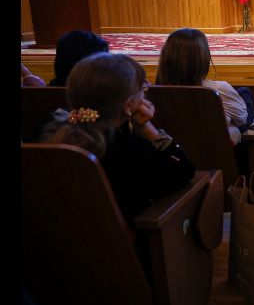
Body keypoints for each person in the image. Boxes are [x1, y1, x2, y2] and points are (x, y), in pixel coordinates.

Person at [38, 52, 196, 227]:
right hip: (122, 250)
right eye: (142, 91)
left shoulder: (46, 129)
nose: (145, 96)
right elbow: (183, 171)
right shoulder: (131, 151)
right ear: (128, 105)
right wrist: (146, 128)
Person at [155, 28, 251, 144]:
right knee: (245, 93)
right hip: (220, 155)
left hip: (175, 155)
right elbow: (242, 119)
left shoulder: (152, 93)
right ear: (203, 60)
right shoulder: (217, 90)